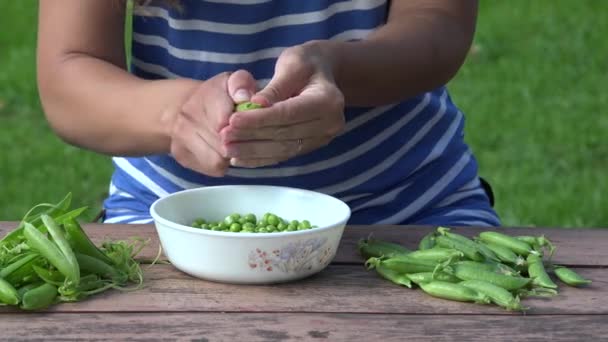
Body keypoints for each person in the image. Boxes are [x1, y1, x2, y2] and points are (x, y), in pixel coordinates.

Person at [36, 0, 500, 226]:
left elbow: (438, 22)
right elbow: (68, 74)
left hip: (406, 210)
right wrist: (177, 114)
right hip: (172, 223)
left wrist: (339, 70)